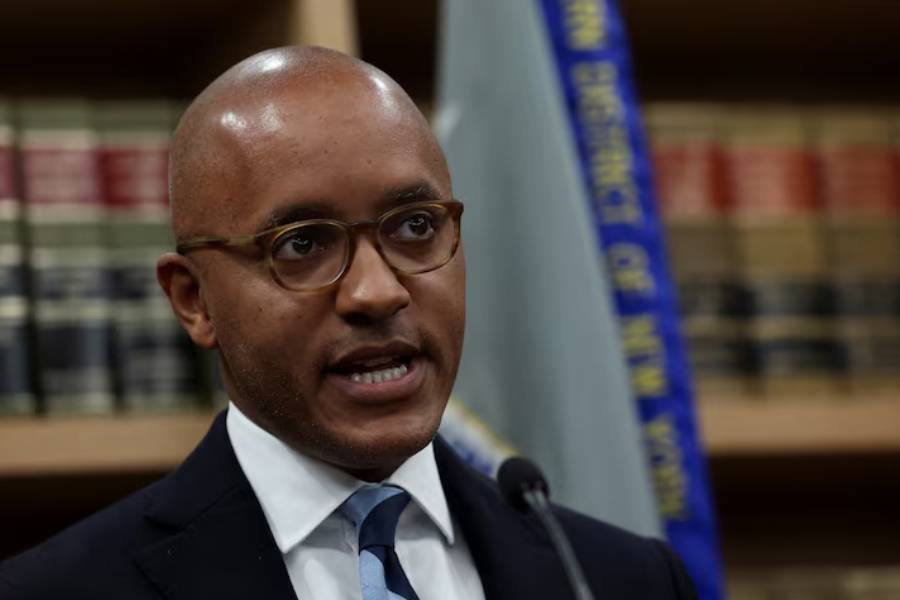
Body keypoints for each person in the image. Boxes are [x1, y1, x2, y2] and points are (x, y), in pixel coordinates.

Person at [0, 46, 696, 599]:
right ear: (194, 301)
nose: (376, 291)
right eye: (302, 244)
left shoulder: (620, 579)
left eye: (417, 227)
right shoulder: (58, 589)